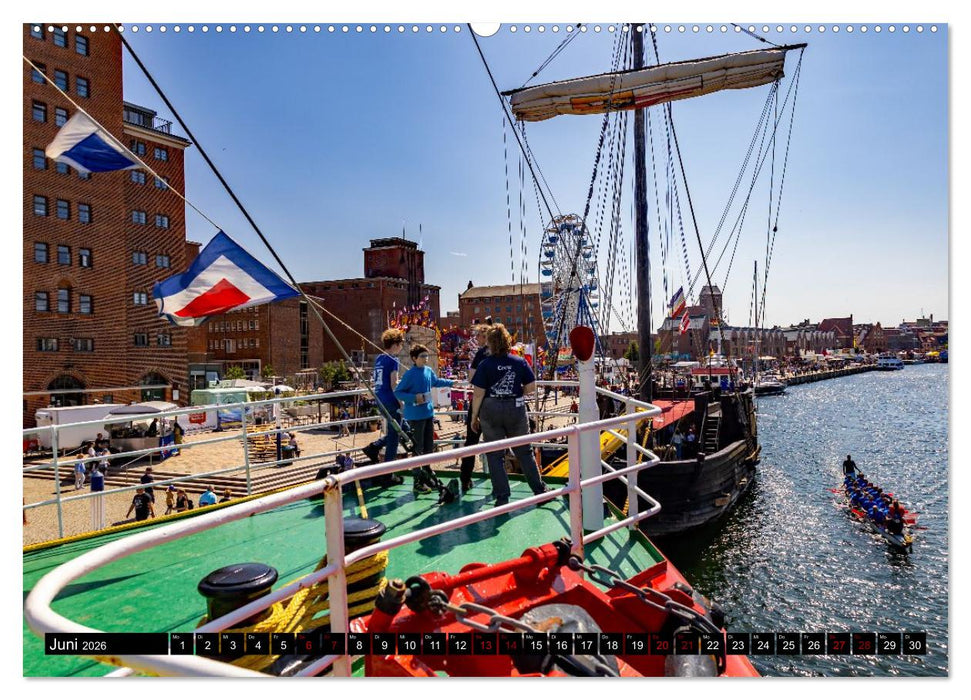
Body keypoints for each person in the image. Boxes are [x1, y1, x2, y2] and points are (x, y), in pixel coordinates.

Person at [470, 324, 546, 507]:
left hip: (491, 409)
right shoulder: (518, 362)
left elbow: (478, 393)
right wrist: (517, 391)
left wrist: (474, 417)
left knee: (495, 455)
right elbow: (530, 387)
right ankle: (539, 491)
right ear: (507, 341)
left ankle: (502, 497)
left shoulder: (485, 365)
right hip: (515, 409)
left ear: (490, 343)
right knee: (524, 452)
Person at [395, 343, 454, 494]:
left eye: (426, 356)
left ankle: (427, 476)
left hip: (428, 414)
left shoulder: (428, 371)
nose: (426, 358)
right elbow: (398, 392)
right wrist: (414, 398)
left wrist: (452, 383)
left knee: (428, 447)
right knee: (417, 449)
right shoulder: (410, 374)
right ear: (414, 358)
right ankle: (417, 481)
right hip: (415, 416)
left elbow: (436, 382)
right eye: (422, 356)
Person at [364, 329, 407, 471]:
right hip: (390, 399)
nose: (401, 347)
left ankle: (374, 447)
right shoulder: (393, 360)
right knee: (395, 436)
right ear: (395, 344)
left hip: (380, 399)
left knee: (400, 429)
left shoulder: (380, 358)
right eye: (401, 344)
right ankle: (389, 471)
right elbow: (394, 383)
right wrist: (402, 402)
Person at [460, 324, 490, 491]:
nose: (476, 339)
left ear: (485, 337)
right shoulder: (501, 352)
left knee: (471, 441)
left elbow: (471, 377)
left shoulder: (481, 354)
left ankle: (465, 479)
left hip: (480, 401)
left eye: (478, 336)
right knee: (496, 443)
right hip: (496, 402)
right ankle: (499, 482)